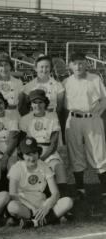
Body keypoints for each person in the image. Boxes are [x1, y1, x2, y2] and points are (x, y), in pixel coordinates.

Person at [63, 52, 106, 203]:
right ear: (70, 65)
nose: (78, 66)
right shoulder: (66, 82)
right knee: (75, 154)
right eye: (74, 63)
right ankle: (80, 189)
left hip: (92, 119)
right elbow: (63, 105)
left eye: (81, 63)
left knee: (98, 154)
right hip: (74, 119)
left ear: (86, 64)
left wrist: (96, 115)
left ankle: (104, 190)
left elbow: (104, 100)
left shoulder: (95, 79)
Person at [7, 137, 73, 229]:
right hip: (25, 206)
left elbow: (56, 193)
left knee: (68, 201)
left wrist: (46, 207)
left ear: (38, 153)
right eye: (28, 154)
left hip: (42, 204)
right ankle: (48, 219)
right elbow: (13, 194)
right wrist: (32, 208)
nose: (32, 157)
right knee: (12, 206)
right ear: (22, 155)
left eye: (34, 153)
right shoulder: (16, 167)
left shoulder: (44, 166)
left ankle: (33, 222)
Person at [20, 89, 68, 196]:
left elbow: (54, 143)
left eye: (40, 102)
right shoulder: (25, 119)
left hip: (48, 152)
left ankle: (62, 198)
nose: (37, 105)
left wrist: (42, 158)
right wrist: (32, 157)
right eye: (34, 102)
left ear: (45, 103)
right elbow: (22, 142)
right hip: (30, 151)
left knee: (58, 167)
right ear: (30, 104)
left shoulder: (52, 117)